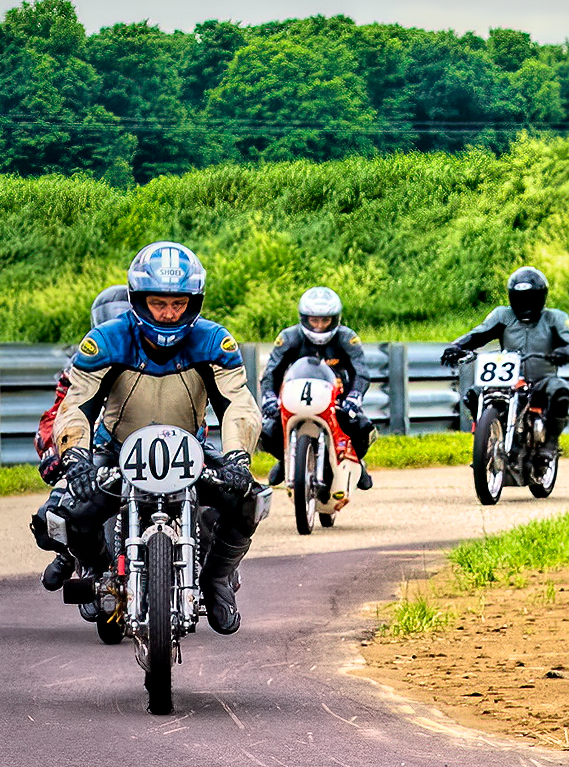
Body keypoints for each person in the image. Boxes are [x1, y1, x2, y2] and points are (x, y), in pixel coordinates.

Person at [49, 242, 265, 635]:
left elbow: (239, 404)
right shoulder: (106, 340)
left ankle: (216, 580)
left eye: (178, 303)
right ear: (138, 299)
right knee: (71, 511)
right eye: (158, 302)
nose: (168, 313)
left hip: (192, 453)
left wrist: (237, 458)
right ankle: (101, 575)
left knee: (249, 501)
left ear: (193, 302)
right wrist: (75, 457)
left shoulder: (215, 342)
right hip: (115, 454)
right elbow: (76, 405)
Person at [31, 285, 133, 591]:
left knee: (212, 508)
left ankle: (209, 571)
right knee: (48, 519)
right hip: (93, 451)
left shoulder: (163, 358)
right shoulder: (82, 361)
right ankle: (72, 554)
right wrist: (54, 452)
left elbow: (195, 418)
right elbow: (56, 414)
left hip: (153, 454)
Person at [438, 267, 569, 468]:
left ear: (541, 297)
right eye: (520, 298)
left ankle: (549, 444)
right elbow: (479, 333)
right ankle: (484, 440)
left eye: (530, 298)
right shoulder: (502, 315)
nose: (525, 303)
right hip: (508, 378)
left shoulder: (554, 318)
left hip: (542, 377)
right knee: (473, 395)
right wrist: (457, 346)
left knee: (561, 392)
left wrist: (565, 352)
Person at [260, 286, 376, 489]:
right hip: (295, 398)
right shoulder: (289, 338)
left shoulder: (347, 338)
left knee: (363, 428)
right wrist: (269, 397)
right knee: (267, 431)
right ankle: (284, 459)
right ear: (304, 318)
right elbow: (272, 372)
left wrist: (355, 397)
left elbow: (361, 372)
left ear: (335, 319)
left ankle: (358, 461)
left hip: (338, 399)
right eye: (314, 320)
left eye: (325, 320)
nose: (320, 326)